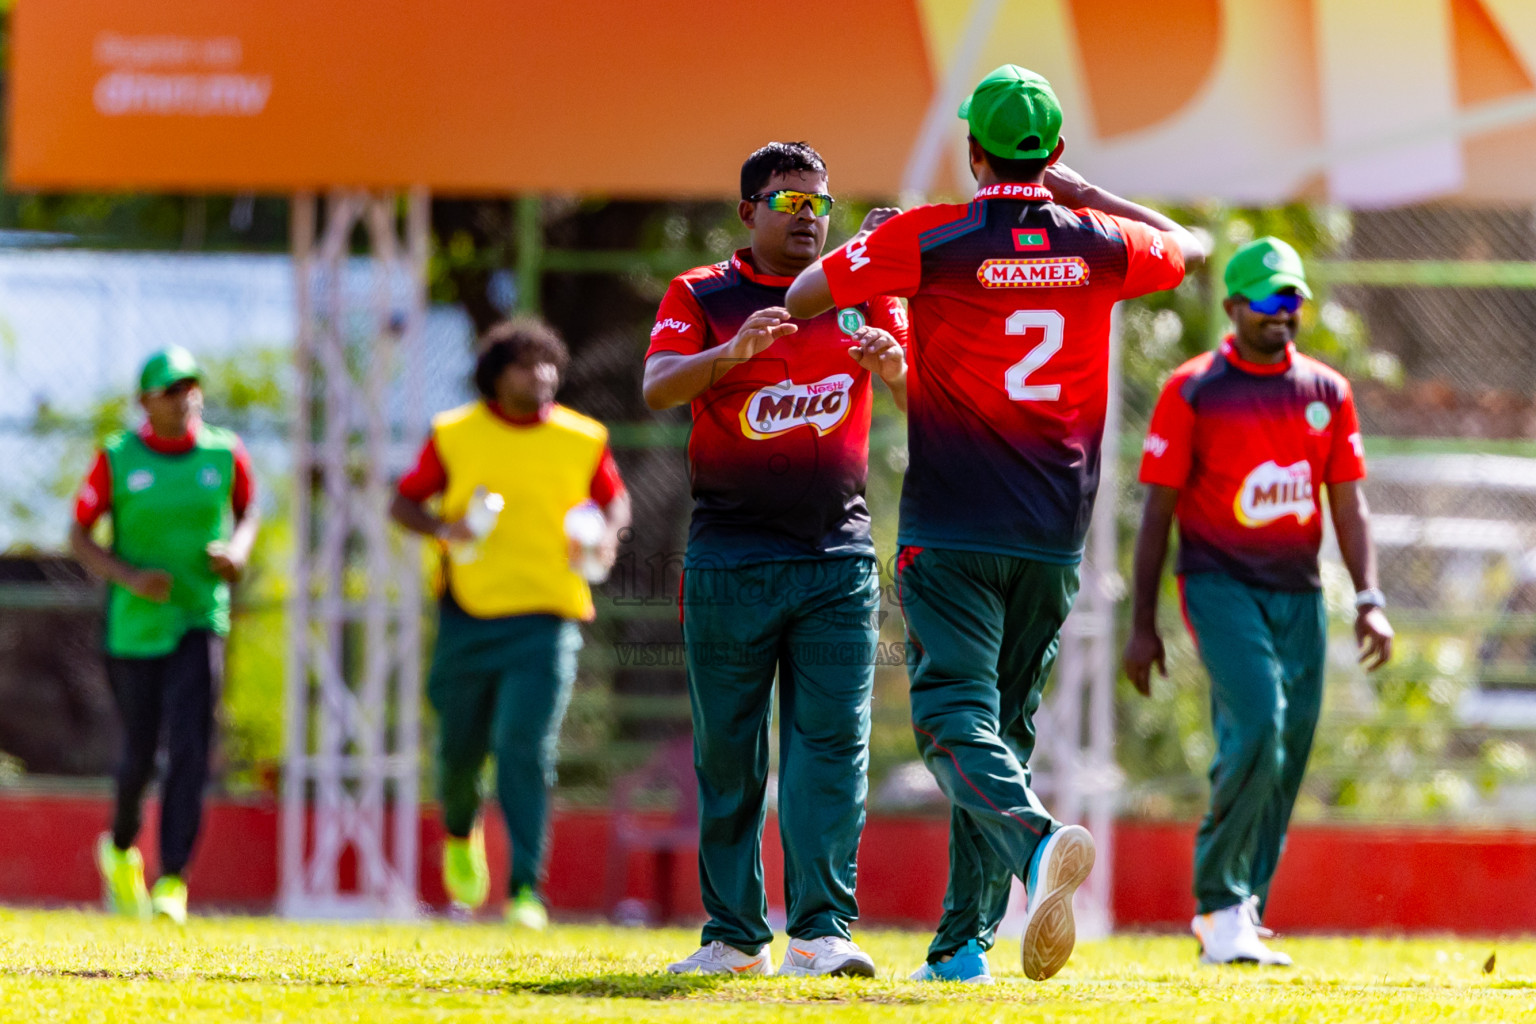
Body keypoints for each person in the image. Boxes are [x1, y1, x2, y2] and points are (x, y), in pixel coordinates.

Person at [787, 65, 1207, 982]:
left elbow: (802, 298)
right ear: (1052, 152)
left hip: (951, 528)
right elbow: (1188, 243)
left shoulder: (930, 234)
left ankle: (1036, 842)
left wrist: (877, 269)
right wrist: (1082, 191)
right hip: (1055, 534)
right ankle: (960, 951)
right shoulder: (1098, 240)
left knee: (949, 722)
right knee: (1002, 733)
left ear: (971, 150)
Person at [644, 141, 910, 977]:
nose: (808, 218)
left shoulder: (858, 289)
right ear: (748, 211)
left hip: (838, 557)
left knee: (831, 744)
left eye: (819, 203)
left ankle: (823, 931)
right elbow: (656, 386)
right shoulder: (702, 294)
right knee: (728, 752)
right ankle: (732, 937)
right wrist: (730, 356)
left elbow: (923, 395)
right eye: (789, 202)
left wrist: (897, 367)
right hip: (729, 559)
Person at [1123, 237, 1393, 966]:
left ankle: (1242, 906)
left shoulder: (1327, 392)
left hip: (1300, 593)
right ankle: (1217, 901)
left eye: (1293, 300)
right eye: (1269, 300)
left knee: (1286, 748)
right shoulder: (1194, 389)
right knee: (1259, 722)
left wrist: (1369, 597)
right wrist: (1142, 625)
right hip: (1217, 583)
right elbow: (1156, 513)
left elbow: (1351, 503)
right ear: (1235, 306)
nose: (1283, 314)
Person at [390, 318, 631, 928]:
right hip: (468, 613)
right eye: (525, 365)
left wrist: (606, 534)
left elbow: (615, 500)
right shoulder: (455, 434)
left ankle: (526, 890)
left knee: (524, 747)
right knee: (460, 752)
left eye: (548, 363)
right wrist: (447, 531)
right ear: (496, 377)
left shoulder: (584, 438)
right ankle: (458, 831)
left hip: (549, 617)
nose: (542, 375)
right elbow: (404, 502)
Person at [70, 346, 260, 925]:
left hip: (200, 619)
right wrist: (129, 577)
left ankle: (172, 879)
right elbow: (79, 535)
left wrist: (237, 554)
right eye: (172, 388)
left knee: (191, 754)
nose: (186, 397)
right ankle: (121, 848)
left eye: (191, 386)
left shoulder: (224, 453)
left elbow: (248, 513)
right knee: (137, 760)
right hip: (134, 630)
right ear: (146, 401)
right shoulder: (118, 458)